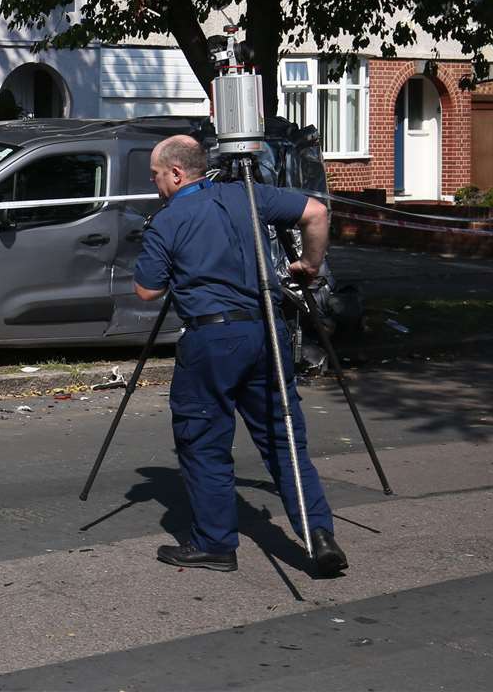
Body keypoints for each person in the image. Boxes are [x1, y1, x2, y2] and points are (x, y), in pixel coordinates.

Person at [132, 134, 348, 577]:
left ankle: (215, 544)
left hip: (212, 339)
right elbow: (316, 212)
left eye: (156, 176)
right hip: (265, 329)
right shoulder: (248, 195)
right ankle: (319, 535)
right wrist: (309, 264)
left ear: (176, 173)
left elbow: (147, 290)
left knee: (204, 440)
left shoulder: (168, 220)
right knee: (282, 438)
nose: (155, 185)